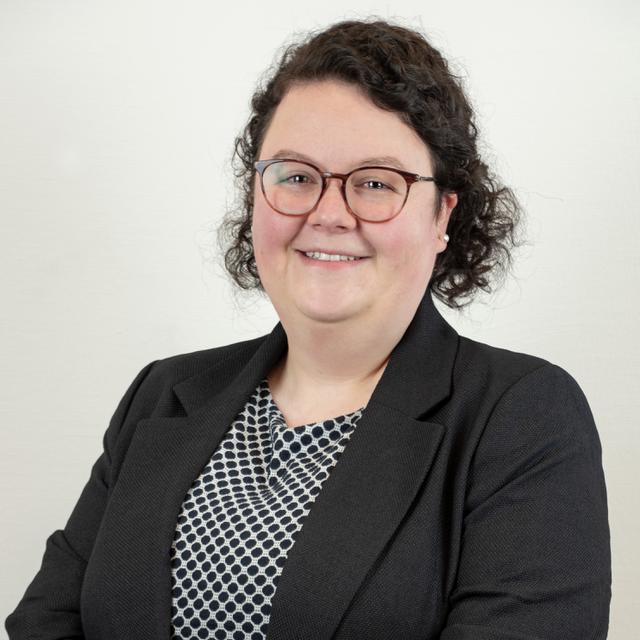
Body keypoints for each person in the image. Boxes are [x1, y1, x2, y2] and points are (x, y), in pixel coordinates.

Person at [6, 17, 611, 640]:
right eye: (296, 176)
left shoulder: (522, 416)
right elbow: (46, 622)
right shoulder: (162, 393)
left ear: (441, 217)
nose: (328, 213)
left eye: (375, 183)